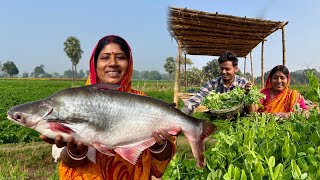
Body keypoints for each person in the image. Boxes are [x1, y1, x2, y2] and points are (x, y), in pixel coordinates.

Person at [40, 35, 179, 179]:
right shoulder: (75, 101)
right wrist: (75, 151)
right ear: (95, 63)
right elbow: (68, 162)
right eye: (105, 57)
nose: (113, 63)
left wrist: (158, 145)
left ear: (129, 63)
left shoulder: (146, 104)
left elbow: (164, 156)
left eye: (120, 57)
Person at [180, 51, 253, 115]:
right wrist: (182, 113)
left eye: (227, 69)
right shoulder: (212, 83)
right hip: (216, 119)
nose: (223, 72)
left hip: (238, 119)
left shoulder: (243, 83)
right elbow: (198, 97)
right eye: (221, 68)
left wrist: (248, 94)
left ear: (236, 69)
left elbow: (251, 111)